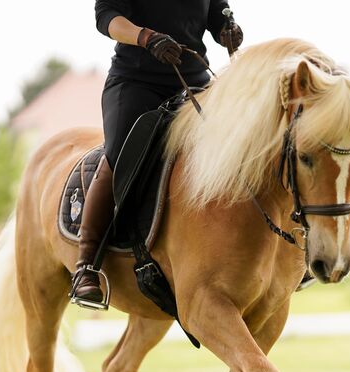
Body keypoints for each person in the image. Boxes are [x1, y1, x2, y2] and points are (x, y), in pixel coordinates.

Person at [70, 0, 243, 309]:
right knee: (120, 152)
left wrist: (226, 31)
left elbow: (217, 14)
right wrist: (146, 37)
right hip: (136, 82)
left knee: (235, 151)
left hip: (193, 81)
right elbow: (106, 17)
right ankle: (86, 265)